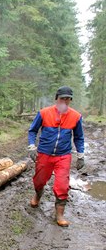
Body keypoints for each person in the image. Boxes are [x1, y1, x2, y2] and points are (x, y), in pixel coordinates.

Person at [27, 85, 85, 227]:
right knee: (39, 180)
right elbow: (32, 131)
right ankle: (37, 195)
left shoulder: (76, 117)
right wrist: (31, 146)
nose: (64, 102)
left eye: (68, 99)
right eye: (62, 99)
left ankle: (59, 215)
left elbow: (79, 137)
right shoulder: (44, 113)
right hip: (44, 154)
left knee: (62, 185)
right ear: (56, 99)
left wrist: (81, 155)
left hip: (63, 156)